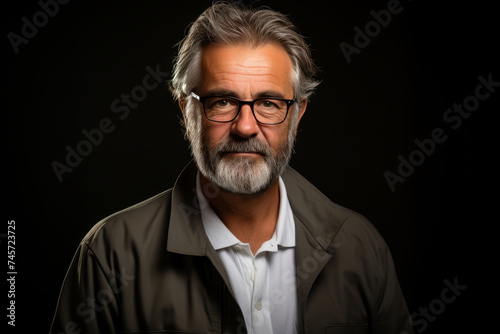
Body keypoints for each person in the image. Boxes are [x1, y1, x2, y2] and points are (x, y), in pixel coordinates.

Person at [50, 2, 414, 333]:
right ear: (186, 111)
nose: (244, 127)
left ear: (298, 114)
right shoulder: (110, 254)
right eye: (222, 101)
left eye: (269, 103)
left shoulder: (361, 248)